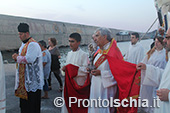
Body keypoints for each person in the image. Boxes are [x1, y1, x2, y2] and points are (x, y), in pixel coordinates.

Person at [88, 28, 123, 113]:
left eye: (97, 36)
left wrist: (102, 73)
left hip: (106, 88)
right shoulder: (99, 51)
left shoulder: (114, 52)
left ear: (104, 37)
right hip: (96, 85)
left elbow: (120, 73)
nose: (94, 38)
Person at [12, 23, 44, 113]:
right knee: (24, 107)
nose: (19, 36)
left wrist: (17, 57)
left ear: (26, 33)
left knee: (32, 107)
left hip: (32, 81)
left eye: (21, 34)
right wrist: (17, 58)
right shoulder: (23, 45)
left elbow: (29, 59)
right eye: (18, 34)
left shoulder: (33, 44)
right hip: (25, 81)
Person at [137, 28, 170, 113]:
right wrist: (146, 68)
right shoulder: (151, 52)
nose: (165, 40)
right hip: (149, 79)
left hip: (156, 83)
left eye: (168, 37)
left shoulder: (165, 55)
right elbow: (165, 75)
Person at [61, 33, 90, 113]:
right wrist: (64, 69)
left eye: (72, 41)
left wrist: (73, 69)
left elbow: (86, 71)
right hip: (68, 84)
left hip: (77, 85)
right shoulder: (69, 54)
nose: (70, 43)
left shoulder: (83, 55)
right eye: (69, 41)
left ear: (78, 42)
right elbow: (67, 67)